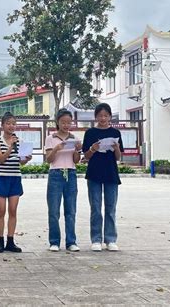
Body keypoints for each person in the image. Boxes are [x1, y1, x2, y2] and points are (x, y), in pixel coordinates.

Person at [82, 103, 124, 252]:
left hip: (111, 173)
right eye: (100, 115)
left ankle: (111, 239)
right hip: (94, 173)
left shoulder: (116, 133)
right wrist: (93, 149)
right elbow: (86, 156)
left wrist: (116, 148)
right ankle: (96, 239)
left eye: (106, 115)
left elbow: (118, 158)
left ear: (110, 117)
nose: (103, 118)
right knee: (95, 208)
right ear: (96, 117)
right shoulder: (90, 133)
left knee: (111, 208)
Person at [0, 112, 32, 253]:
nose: (11, 126)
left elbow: (20, 162)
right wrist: (10, 147)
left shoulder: (19, 141)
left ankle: (10, 240)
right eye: (8, 123)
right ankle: (0, 241)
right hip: (1, 177)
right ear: (2, 125)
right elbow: (1, 159)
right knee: (1, 210)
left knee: (13, 210)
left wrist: (26, 159)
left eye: (13, 123)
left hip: (15, 177)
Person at [44, 109, 82, 252]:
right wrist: (56, 149)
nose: (66, 125)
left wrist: (78, 150)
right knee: (54, 210)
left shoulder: (74, 138)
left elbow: (76, 161)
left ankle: (71, 241)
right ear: (57, 122)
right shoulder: (51, 138)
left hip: (71, 173)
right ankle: (54, 241)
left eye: (69, 122)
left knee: (71, 210)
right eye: (63, 122)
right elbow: (49, 159)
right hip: (55, 173)